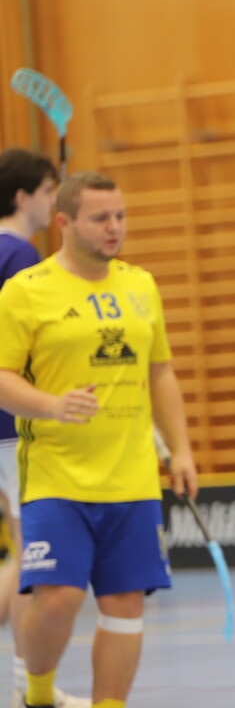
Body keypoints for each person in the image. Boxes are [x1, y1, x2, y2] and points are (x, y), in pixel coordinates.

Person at [0, 170, 198, 708]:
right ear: (64, 222)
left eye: (121, 216)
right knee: (59, 597)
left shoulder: (141, 285)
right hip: (56, 476)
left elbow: (161, 372)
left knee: (126, 606)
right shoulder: (26, 291)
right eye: (100, 218)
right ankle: (37, 694)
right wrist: (52, 406)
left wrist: (180, 449)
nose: (115, 227)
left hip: (131, 479)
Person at [0, 150, 88, 708]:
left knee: (19, 553)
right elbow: (33, 343)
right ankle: (26, 681)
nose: (55, 200)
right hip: (14, 424)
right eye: (49, 189)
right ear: (23, 196)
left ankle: (26, 679)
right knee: (31, 556)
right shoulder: (19, 255)